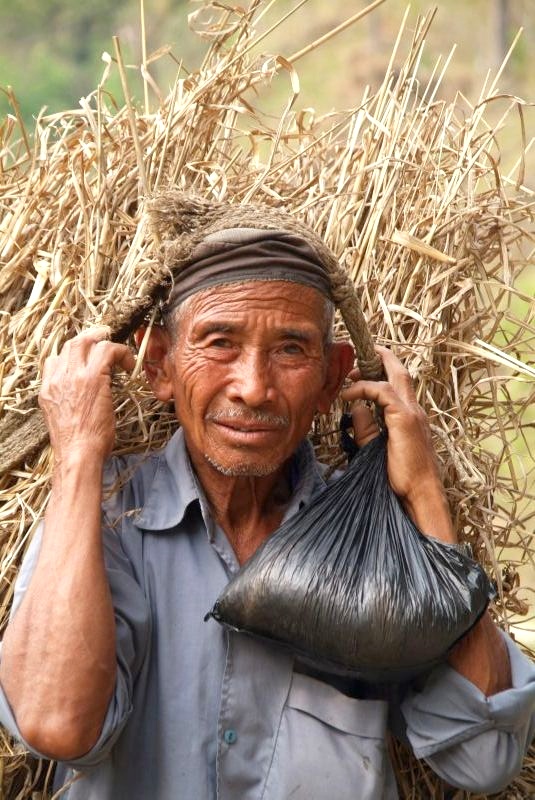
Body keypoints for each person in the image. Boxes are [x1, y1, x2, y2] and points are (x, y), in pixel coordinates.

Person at [0, 213, 534, 800]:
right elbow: (58, 728)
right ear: (159, 367)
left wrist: (423, 491)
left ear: (333, 379)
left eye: (290, 349)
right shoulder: (106, 518)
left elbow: (483, 759)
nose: (253, 387)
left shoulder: (373, 535)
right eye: (219, 342)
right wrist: (77, 452)